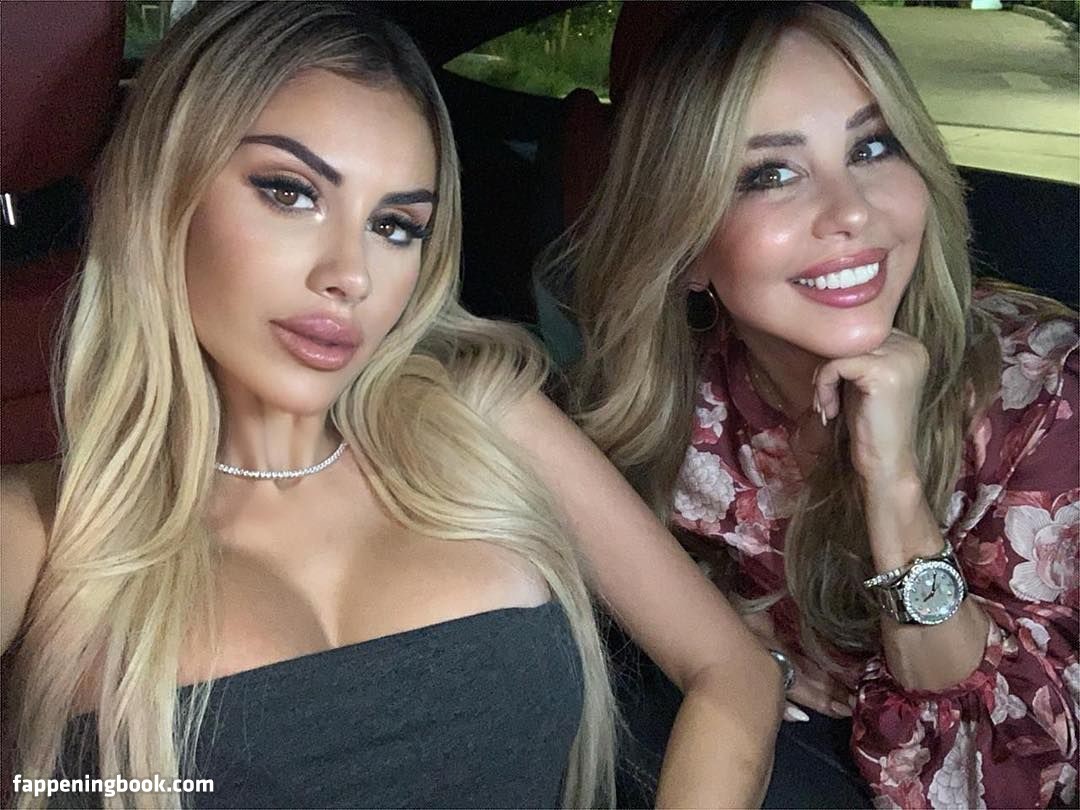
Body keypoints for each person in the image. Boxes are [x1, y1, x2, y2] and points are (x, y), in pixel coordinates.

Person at [0, 3, 785, 809]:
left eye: (395, 226)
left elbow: (733, 673)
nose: (352, 275)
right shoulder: (42, 530)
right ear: (165, 192)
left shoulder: (481, 417)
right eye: (289, 192)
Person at [549, 2, 1079, 807]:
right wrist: (724, 630)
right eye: (771, 174)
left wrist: (893, 485)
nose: (851, 212)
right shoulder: (674, 401)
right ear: (686, 246)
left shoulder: (1045, 394)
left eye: (872, 147)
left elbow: (1009, 774)